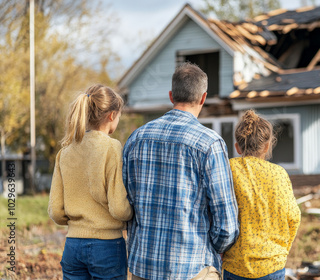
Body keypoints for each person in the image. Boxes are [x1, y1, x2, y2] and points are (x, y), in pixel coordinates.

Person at [123, 62, 239, 280]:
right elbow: (227, 226)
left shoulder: (136, 139)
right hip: (193, 267)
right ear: (203, 98)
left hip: (142, 268)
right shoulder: (210, 143)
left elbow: (127, 203)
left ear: (171, 95)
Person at [48, 84, 133, 279]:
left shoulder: (65, 152)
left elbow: (55, 211)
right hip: (107, 247)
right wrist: (132, 214)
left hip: (72, 247)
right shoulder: (112, 148)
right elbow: (119, 208)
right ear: (111, 115)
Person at [222, 110, 301, 280]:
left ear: (237, 147)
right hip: (272, 266)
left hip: (236, 266)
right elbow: (294, 218)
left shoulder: (229, 169)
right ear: (267, 146)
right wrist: (282, 250)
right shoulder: (279, 174)